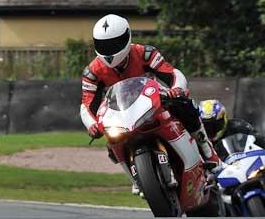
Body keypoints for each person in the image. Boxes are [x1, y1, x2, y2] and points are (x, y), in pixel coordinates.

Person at [80, 14, 225, 192]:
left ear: (127, 37)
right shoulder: (93, 72)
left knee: (184, 104)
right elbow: (87, 104)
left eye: (114, 44)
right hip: (121, 111)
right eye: (104, 45)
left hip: (153, 100)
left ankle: (208, 152)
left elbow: (172, 73)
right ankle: (135, 178)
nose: (109, 50)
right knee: (111, 139)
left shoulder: (145, 53)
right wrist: (92, 124)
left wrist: (177, 88)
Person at [199, 99, 265, 160]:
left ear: (224, 118)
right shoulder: (197, 138)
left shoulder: (238, 126)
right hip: (219, 171)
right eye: (206, 126)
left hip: (245, 164)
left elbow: (259, 139)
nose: (210, 129)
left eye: (215, 125)